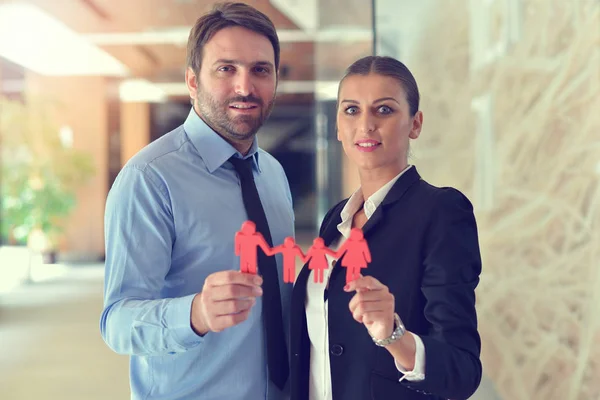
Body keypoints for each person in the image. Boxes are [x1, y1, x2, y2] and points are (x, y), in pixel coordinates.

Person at [100, 3, 294, 400]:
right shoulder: (150, 179)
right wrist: (195, 314)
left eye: (261, 69)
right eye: (226, 68)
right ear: (192, 81)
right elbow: (116, 322)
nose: (245, 86)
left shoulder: (273, 173)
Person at [290, 56, 483, 400]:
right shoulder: (336, 220)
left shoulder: (441, 212)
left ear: (415, 124)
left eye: (384, 110)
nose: (365, 125)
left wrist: (393, 335)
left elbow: (462, 370)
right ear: (337, 125)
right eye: (351, 110)